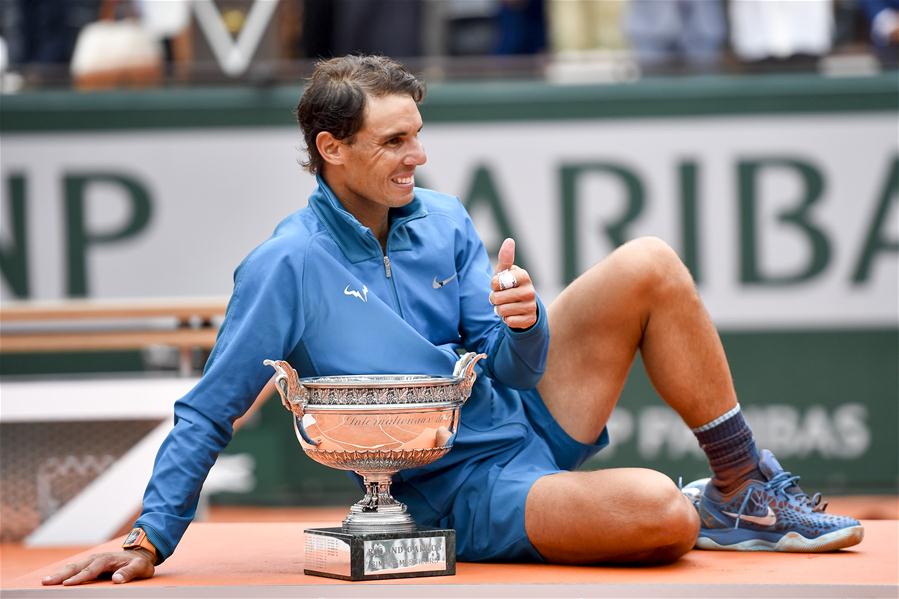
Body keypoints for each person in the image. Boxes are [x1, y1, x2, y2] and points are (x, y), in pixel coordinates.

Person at [43, 55, 863, 587]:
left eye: (419, 135)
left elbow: (506, 367)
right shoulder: (285, 265)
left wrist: (524, 321)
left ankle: (742, 487)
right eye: (394, 141)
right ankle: (692, 504)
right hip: (460, 489)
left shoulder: (441, 217)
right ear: (332, 148)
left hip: (525, 411)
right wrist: (150, 536)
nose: (417, 156)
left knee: (647, 260)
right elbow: (212, 404)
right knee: (658, 513)